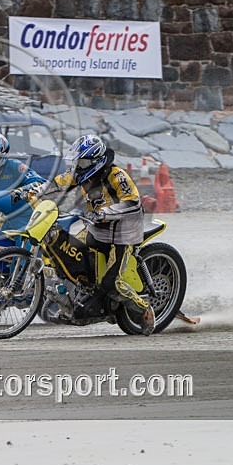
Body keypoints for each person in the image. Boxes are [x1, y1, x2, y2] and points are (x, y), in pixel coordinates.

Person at [45, 134, 154, 335]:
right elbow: (54, 184)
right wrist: (28, 192)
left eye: (83, 162)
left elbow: (132, 203)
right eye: (77, 162)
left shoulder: (117, 176)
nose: (78, 166)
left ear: (96, 161)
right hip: (97, 227)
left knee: (111, 283)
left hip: (123, 233)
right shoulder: (79, 174)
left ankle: (144, 309)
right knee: (72, 256)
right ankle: (79, 298)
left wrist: (105, 213)